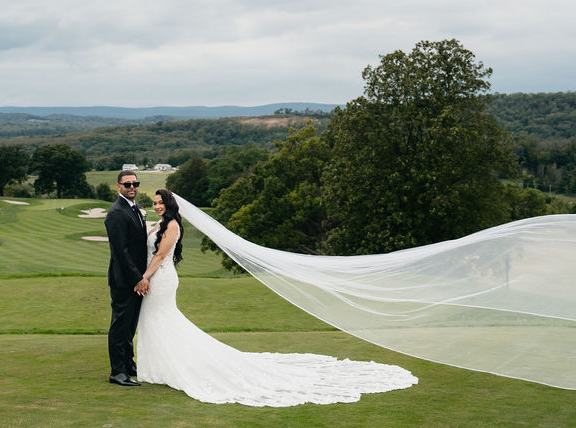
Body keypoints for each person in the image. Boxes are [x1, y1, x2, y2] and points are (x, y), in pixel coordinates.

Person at [135, 188, 418, 406]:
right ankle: (158, 368)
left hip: (161, 279)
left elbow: (160, 255)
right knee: (155, 321)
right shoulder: (159, 224)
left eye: (161, 202)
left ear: (170, 204)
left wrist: (145, 277)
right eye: (155, 203)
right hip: (154, 278)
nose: (157, 206)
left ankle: (172, 367)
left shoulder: (173, 226)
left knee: (164, 321)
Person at [105, 170, 149, 386]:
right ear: (118, 186)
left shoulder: (133, 208)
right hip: (124, 281)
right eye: (127, 184)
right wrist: (137, 278)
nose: (132, 187)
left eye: (135, 184)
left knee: (130, 325)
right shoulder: (116, 213)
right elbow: (121, 252)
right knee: (120, 326)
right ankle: (118, 372)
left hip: (135, 280)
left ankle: (128, 364)